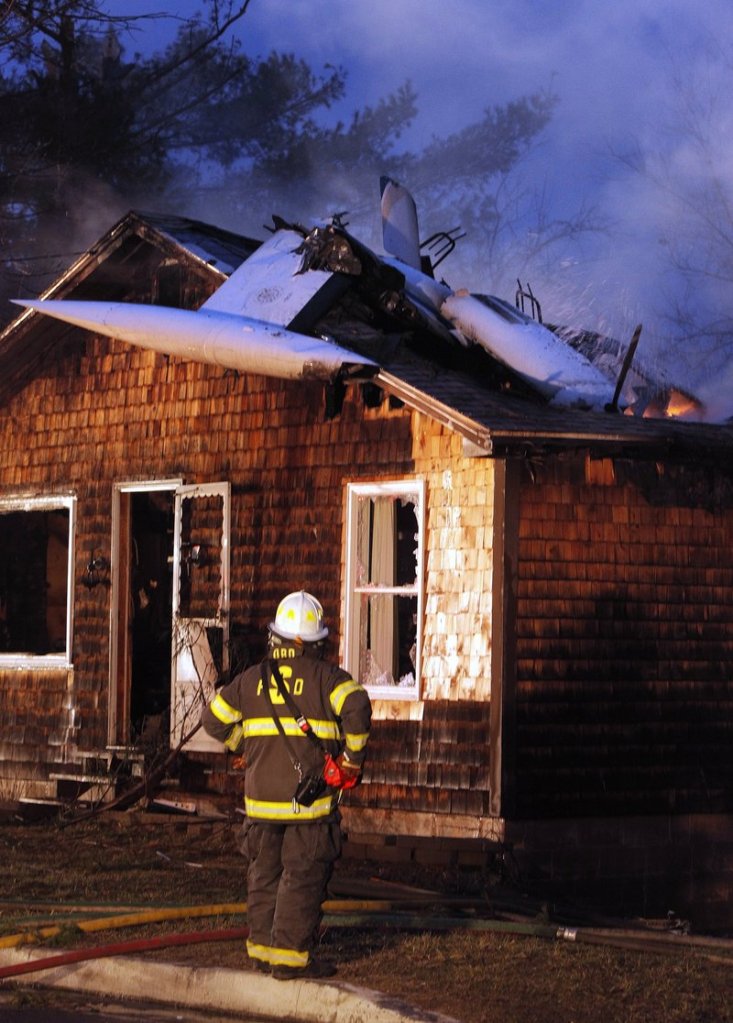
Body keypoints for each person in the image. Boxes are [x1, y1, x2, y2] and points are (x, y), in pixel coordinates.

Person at [201, 590, 372, 981]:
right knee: (302, 875)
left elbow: (214, 719)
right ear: (314, 641)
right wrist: (350, 760)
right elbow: (358, 706)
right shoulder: (327, 678)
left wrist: (243, 744)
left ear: (276, 636)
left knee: (264, 874)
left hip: (260, 803)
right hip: (307, 808)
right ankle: (290, 959)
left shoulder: (250, 679)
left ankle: (262, 951)